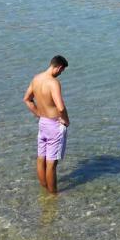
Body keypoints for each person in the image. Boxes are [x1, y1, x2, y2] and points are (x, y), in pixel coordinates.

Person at [24, 55, 70, 195]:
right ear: (59, 67)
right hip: (54, 125)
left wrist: (38, 114)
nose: (60, 74)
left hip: (43, 123)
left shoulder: (36, 78)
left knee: (40, 158)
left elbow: (27, 99)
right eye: (61, 71)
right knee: (51, 163)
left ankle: (44, 189)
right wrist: (66, 120)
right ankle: (53, 195)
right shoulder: (53, 83)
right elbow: (60, 107)